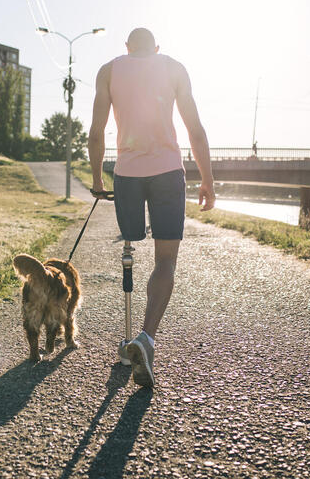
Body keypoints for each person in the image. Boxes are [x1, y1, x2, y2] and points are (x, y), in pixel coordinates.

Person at [88, 27, 215, 387]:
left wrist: (98, 180)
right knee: (165, 261)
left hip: (127, 174)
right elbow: (196, 130)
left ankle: (128, 338)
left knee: (128, 251)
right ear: (157, 48)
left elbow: (96, 132)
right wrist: (207, 180)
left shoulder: (108, 70)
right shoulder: (174, 67)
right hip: (168, 172)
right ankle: (145, 337)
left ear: (126, 48)